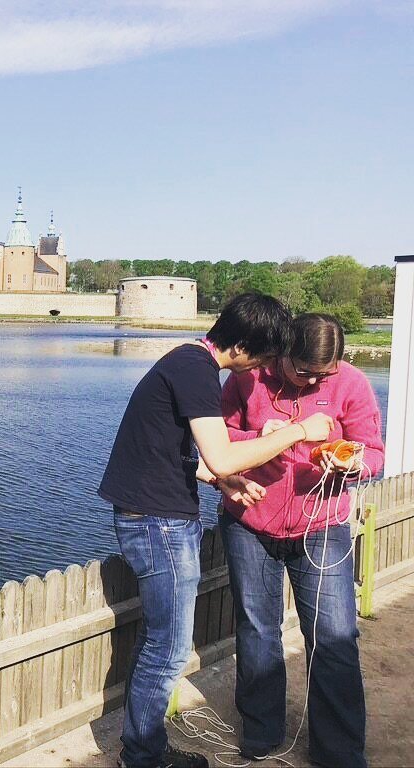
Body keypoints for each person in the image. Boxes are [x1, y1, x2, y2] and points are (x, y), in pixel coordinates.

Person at [98, 294, 335, 768]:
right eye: (265, 357)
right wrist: (298, 432)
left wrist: (223, 480)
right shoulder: (195, 369)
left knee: (158, 640)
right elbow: (221, 452)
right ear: (245, 347)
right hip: (157, 523)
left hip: (154, 515)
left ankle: (145, 750)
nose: (263, 367)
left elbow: (174, 451)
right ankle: (143, 758)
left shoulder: (189, 363)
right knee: (168, 651)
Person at [218, 312, 384, 768]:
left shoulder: (350, 384)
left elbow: (374, 452)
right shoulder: (248, 378)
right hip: (250, 522)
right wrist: (256, 436)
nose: (311, 381)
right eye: (302, 371)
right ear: (283, 353)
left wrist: (352, 464)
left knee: (334, 637)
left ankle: (340, 751)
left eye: (321, 375)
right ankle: (261, 734)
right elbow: (217, 440)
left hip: (321, 527)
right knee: (256, 632)